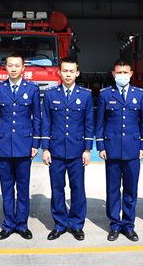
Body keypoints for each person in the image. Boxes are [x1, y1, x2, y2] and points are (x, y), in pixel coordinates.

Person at [96, 59, 143, 242]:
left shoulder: (139, 94)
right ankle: (114, 225)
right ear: (113, 74)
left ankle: (128, 225)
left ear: (131, 74)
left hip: (133, 149)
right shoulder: (105, 94)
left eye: (125, 72)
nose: (122, 76)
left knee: (130, 190)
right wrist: (101, 146)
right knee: (112, 190)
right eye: (119, 73)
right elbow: (99, 123)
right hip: (111, 148)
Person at [41, 57, 94, 241]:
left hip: (77, 150)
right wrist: (45, 149)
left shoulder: (85, 95)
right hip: (55, 150)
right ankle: (60, 224)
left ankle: (77, 225)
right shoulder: (50, 94)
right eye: (65, 71)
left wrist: (87, 150)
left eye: (72, 71)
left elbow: (89, 124)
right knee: (57, 188)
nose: (68, 74)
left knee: (78, 189)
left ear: (77, 73)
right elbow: (46, 123)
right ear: (59, 72)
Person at [0, 52, 41, 240]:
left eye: (17, 65)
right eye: (10, 65)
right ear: (5, 67)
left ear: (23, 68)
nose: (13, 69)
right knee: (7, 187)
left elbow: (37, 118)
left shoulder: (32, 89)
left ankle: (22, 224)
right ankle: (8, 224)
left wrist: (36, 143)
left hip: (24, 144)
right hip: (3, 144)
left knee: (23, 187)